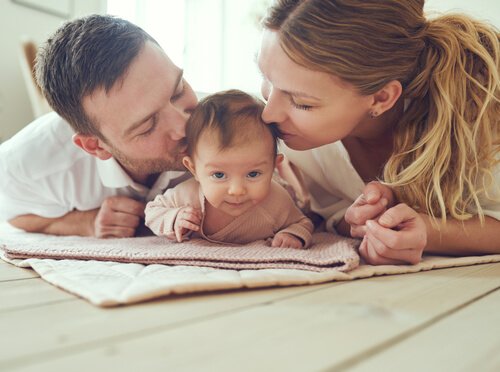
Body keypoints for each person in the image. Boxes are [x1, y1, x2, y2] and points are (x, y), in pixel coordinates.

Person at [257, 0, 500, 264]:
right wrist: (356, 222)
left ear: (382, 97)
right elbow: (332, 212)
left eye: (302, 103)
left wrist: (430, 231)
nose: (268, 113)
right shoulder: (290, 133)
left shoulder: (476, 123)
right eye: (267, 79)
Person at [0, 15, 197, 238]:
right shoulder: (25, 165)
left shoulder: (230, 125)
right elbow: (14, 215)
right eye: (147, 126)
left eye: (178, 91)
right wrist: (85, 222)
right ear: (94, 145)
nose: (185, 125)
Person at [145, 90, 314, 248]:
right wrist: (174, 218)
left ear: (273, 166)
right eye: (219, 175)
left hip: (285, 186)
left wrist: (291, 234)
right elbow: (152, 212)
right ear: (193, 168)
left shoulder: (277, 202)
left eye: (253, 174)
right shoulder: (188, 196)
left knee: (299, 198)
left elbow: (302, 222)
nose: (237, 190)